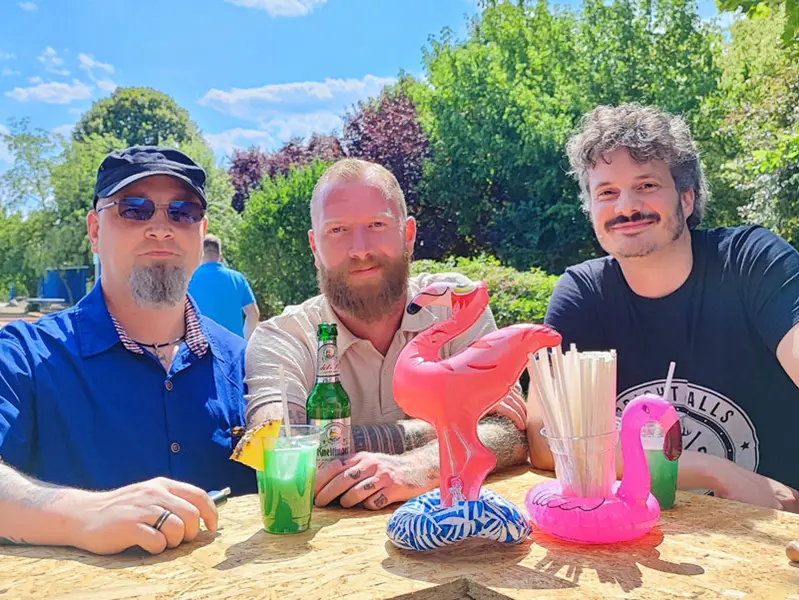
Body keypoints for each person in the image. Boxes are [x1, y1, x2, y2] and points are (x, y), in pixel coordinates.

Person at [530, 103, 799, 521]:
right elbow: (547, 441)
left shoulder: (752, 262)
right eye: (607, 192)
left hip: (798, 533)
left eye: (646, 185)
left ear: (687, 198)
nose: (626, 207)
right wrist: (714, 471)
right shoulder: (583, 294)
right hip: (651, 540)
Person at [0, 146, 255, 556]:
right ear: (95, 231)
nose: (161, 229)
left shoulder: (246, 364)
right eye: (134, 209)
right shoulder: (26, 358)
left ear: (201, 231)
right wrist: (84, 515)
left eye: (183, 212)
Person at [245, 158, 528, 510]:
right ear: (315, 247)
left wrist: (418, 468)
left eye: (377, 225)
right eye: (337, 230)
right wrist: (454, 421)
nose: (360, 250)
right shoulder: (282, 338)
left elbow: (512, 433)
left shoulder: (455, 304)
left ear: (408, 235)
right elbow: (278, 450)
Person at [188, 234, 260, 339]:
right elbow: (253, 314)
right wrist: (244, 341)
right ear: (220, 256)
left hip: (200, 344)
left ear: (200, 255)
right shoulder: (238, 278)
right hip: (233, 346)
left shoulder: (189, 278)